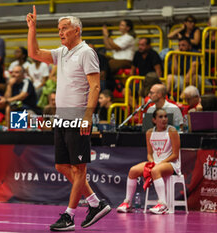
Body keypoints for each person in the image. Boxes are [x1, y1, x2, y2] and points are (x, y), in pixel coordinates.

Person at [27, 6, 111, 231]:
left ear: (77, 30)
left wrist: (87, 117)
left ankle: (69, 216)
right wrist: (32, 28)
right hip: (61, 117)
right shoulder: (62, 52)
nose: (60, 32)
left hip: (77, 116)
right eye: (58, 29)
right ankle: (95, 203)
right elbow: (34, 53)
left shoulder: (86, 52)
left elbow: (95, 86)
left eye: (64, 28)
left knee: (78, 169)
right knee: (61, 165)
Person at [117, 108, 181, 214]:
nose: (164, 119)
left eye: (165, 116)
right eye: (160, 117)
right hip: (156, 163)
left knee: (155, 170)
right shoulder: (149, 132)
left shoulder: (172, 131)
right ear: (154, 120)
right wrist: (151, 162)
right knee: (133, 170)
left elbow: (175, 155)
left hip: (171, 164)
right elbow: (149, 154)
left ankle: (163, 204)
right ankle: (128, 203)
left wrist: (159, 164)